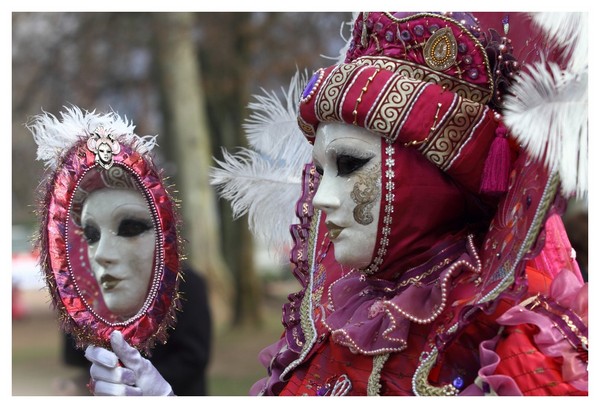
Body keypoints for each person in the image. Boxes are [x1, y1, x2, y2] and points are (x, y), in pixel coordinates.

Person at [85, 11, 588, 396]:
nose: (322, 199)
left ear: (432, 176)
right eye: (320, 171)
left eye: (349, 166)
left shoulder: (520, 340)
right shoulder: (335, 321)